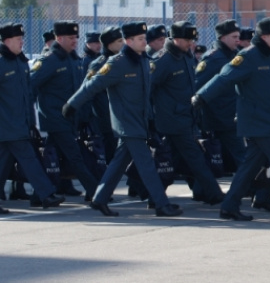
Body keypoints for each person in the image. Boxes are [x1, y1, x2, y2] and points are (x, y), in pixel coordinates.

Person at [194, 17, 270, 222]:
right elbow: (224, 77)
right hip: (257, 121)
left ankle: (229, 206)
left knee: (249, 167)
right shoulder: (248, 56)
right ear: (264, 36)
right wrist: (202, 96)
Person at [64, 21, 183, 217]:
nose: (144, 42)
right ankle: (161, 204)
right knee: (146, 164)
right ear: (128, 41)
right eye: (139, 39)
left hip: (140, 121)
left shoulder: (144, 60)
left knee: (118, 163)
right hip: (127, 122)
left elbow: (146, 94)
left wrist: (150, 119)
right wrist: (72, 104)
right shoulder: (117, 63)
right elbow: (93, 85)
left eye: (145, 38)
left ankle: (99, 199)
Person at [195, 20, 270, 212]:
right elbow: (202, 87)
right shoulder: (213, 59)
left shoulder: (233, 56)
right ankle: (252, 192)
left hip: (231, 116)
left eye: (238, 37)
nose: (238, 40)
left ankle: (209, 191)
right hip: (219, 117)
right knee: (239, 157)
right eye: (234, 37)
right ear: (223, 37)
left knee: (222, 157)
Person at [151, 21, 224, 206]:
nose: (191, 43)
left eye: (192, 40)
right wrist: (151, 116)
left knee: (172, 161)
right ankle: (214, 194)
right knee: (195, 157)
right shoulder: (163, 60)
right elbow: (149, 88)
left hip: (186, 115)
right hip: (172, 119)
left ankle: (155, 196)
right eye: (187, 40)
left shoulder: (186, 56)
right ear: (175, 39)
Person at [30, 20, 100, 203]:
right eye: (70, 38)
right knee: (75, 156)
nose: (75, 41)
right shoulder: (49, 61)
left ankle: (40, 195)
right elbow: (31, 86)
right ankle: (95, 191)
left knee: (51, 158)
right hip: (55, 118)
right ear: (59, 38)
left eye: (76, 37)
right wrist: (30, 117)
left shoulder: (74, 60)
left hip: (71, 119)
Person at [0, 23, 66, 213]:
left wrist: (31, 122)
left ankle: (46, 195)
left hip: (19, 124)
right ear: (7, 41)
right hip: (7, 124)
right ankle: (46, 194)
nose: (22, 42)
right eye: (18, 39)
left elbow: (28, 95)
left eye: (22, 38)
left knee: (4, 165)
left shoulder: (21, 62)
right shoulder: (2, 63)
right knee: (30, 159)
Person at [84, 27, 124, 162]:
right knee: (108, 142)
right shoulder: (97, 63)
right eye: (93, 42)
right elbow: (86, 89)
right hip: (101, 110)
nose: (97, 45)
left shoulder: (121, 60)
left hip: (118, 111)